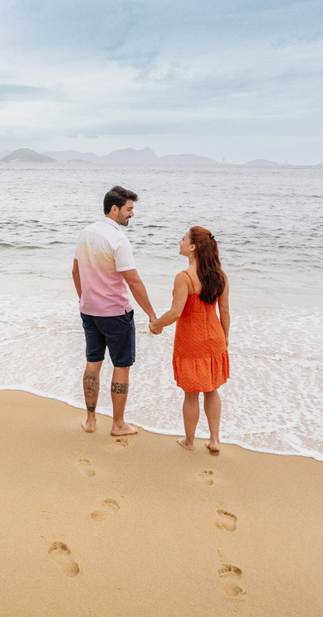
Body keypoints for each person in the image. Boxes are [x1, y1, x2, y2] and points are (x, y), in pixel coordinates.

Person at [72, 185, 157, 436]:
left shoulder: (84, 233)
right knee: (121, 366)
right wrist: (152, 315)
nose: (132, 214)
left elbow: (75, 272)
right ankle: (118, 425)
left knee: (93, 363)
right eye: (129, 209)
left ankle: (90, 421)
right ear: (115, 208)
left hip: (89, 311)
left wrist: (84, 299)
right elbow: (133, 281)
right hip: (115, 314)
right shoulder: (118, 239)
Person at [149, 226, 231, 455]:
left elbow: (176, 313)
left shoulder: (184, 277)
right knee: (212, 390)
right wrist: (225, 339)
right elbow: (225, 312)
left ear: (193, 247)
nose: (180, 242)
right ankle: (215, 440)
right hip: (215, 338)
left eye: (183, 239)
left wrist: (155, 324)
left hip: (191, 341)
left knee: (191, 393)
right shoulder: (220, 275)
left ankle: (190, 441)